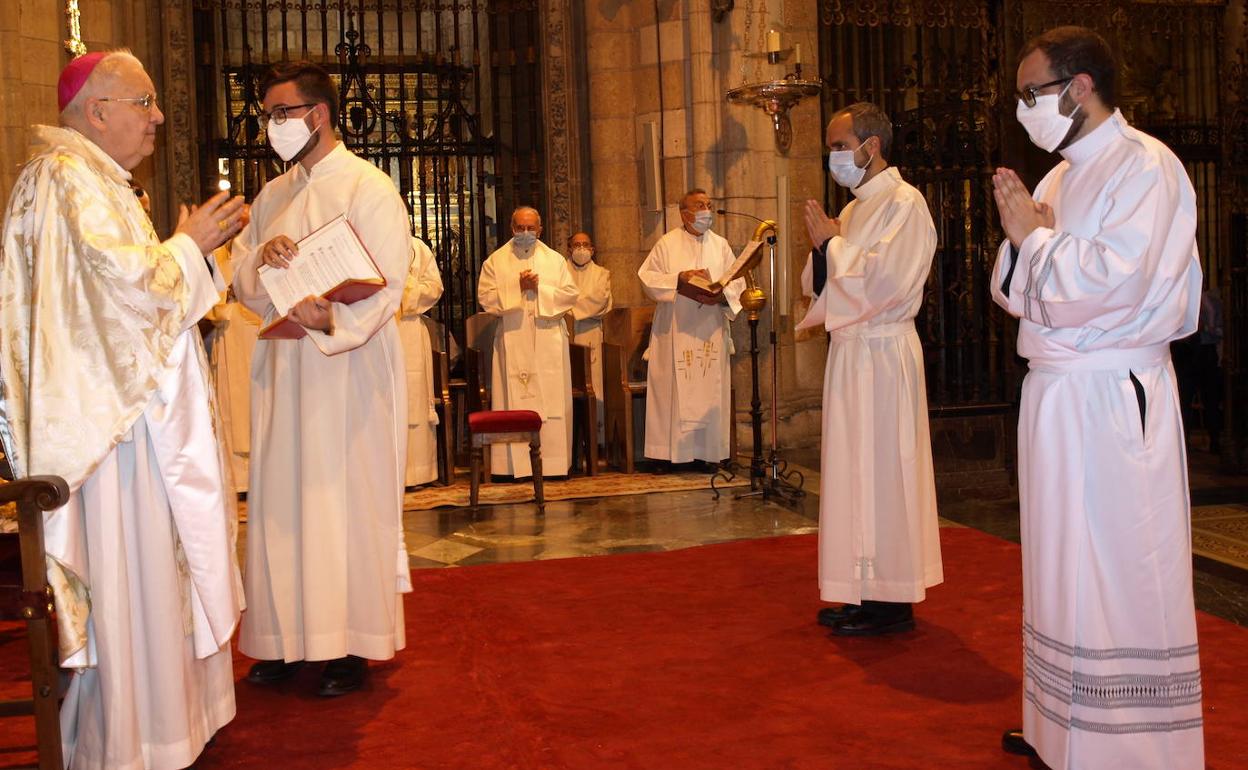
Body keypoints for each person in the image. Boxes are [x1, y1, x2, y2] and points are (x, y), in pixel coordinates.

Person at [0, 50, 245, 768]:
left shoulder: (95, 181)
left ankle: (163, 728)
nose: (159, 117)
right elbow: (116, 297)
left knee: (148, 585)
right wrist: (186, 246)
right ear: (98, 110)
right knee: (128, 584)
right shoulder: (64, 179)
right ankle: (132, 743)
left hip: (135, 428)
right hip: (109, 443)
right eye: (144, 102)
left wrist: (185, 253)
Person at [991, 26, 1204, 770]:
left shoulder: (1146, 167)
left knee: (1118, 564)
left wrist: (1036, 245)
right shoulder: (1054, 178)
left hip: (1114, 396)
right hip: (1056, 391)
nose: (1023, 110)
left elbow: (1114, 283)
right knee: (1058, 561)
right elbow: (1010, 291)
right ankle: (1060, 728)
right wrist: (1025, 242)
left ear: (1079, 87)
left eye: (1031, 94)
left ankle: (1133, 750)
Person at [232, 60, 412, 697]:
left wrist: (331, 314)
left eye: (282, 113)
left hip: (347, 373)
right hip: (285, 367)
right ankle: (284, 642)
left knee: (341, 502)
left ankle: (346, 647)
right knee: (282, 506)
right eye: (267, 115)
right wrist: (264, 257)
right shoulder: (273, 195)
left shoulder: (369, 187)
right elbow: (246, 283)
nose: (272, 126)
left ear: (318, 114)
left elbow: (388, 283)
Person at [798, 102, 943, 637]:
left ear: (871, 145)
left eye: (839, 146)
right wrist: (825, 250)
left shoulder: (906, 204)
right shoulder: (858, 209)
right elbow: (825, 284)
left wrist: (830, 244)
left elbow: (885, 284)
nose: (834, 157)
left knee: (885, 472)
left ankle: (892, 599)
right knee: (854, 471)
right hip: (852, 354)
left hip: (884, 356)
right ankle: (862, 589)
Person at [638, 189, 744, 470]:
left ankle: (708, 453)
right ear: (684, 213)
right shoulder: (667, 243)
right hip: (676, 327)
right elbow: (647, 279)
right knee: (672, 390)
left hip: (710, 327)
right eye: (700, 206)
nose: (706, 210)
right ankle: (667, 455)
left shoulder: (721, 245)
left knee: (709, 387)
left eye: (709, 205)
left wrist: (723, 295)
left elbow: (737, 281)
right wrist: (679, 279)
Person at [477, 206, 580, 478]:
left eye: (530, 228)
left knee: (552, 397)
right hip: (513, 335)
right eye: (520, 228)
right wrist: (516, 288)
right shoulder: (496, 261)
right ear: (511, 228)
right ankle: (511, 467)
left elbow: (570, 295)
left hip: (548, 338)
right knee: (514, 396)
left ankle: (554, 465)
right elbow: (485, 298)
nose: (525, 233)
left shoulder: (555, 260)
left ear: (540, 229)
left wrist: (540, 289)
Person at [205, 205, 261, 495]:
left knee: (257, 403)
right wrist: (222, 305)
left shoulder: (261, 251)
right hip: (229, 335)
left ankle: (262, 476)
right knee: (232, 405)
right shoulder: (216, 255)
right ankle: (239, 479)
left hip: (258, 335)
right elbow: (205, 295)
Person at [398, 236, 445, 486]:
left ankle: (417, 472)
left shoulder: (418, 248)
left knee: (413, 398)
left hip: (409, 329)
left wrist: (404, 291)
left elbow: (434, 287)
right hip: (377, 329)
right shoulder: (365, 240)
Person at [566, 231, 614, 442]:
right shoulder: (559, 272)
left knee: (594, 387)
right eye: (577, 245)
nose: (581, 249)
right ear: (569, 249)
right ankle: (570, 442)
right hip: (566, 334)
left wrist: (570, 305)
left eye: (585, 244)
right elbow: (554, 298)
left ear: (593, 250)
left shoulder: (602, 274)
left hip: (591, 335)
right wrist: (577, 303)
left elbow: (600, 302)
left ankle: (595, 441)